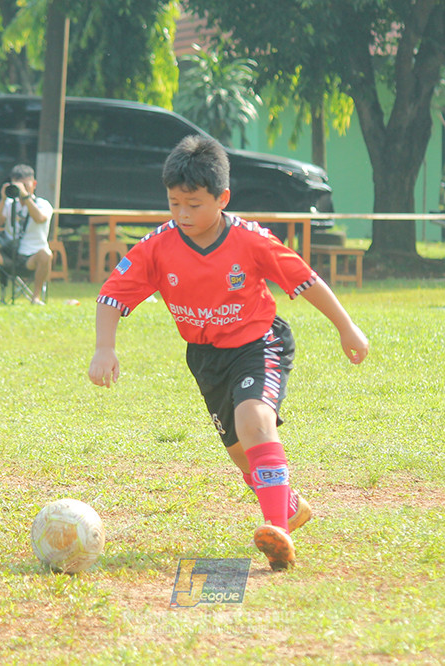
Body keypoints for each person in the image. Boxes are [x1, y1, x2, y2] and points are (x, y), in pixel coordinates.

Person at [88, 135, 369, 571]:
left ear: (222, 199)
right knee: (240, 452)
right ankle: (288, 505)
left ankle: (277, 530)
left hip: (259, 344)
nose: (183, 214)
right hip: (206, 358)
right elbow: (112, 295)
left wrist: (346, 327)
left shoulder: (251, 240)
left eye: (194, 204)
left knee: (254, 420)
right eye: (174, 203)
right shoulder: (158, 246)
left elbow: (304, 279)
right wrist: (105, 347)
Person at [0, 164, 54, 305]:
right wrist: (2, 199)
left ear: (34, 184)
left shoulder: (43, 204)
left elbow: (39, 218)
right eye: (18, 186)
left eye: (25, 185)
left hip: (32, 257)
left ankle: (36, 298)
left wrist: (26, 197)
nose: (21, 189)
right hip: (9, 254)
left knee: (46, 255)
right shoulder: (9, 204)